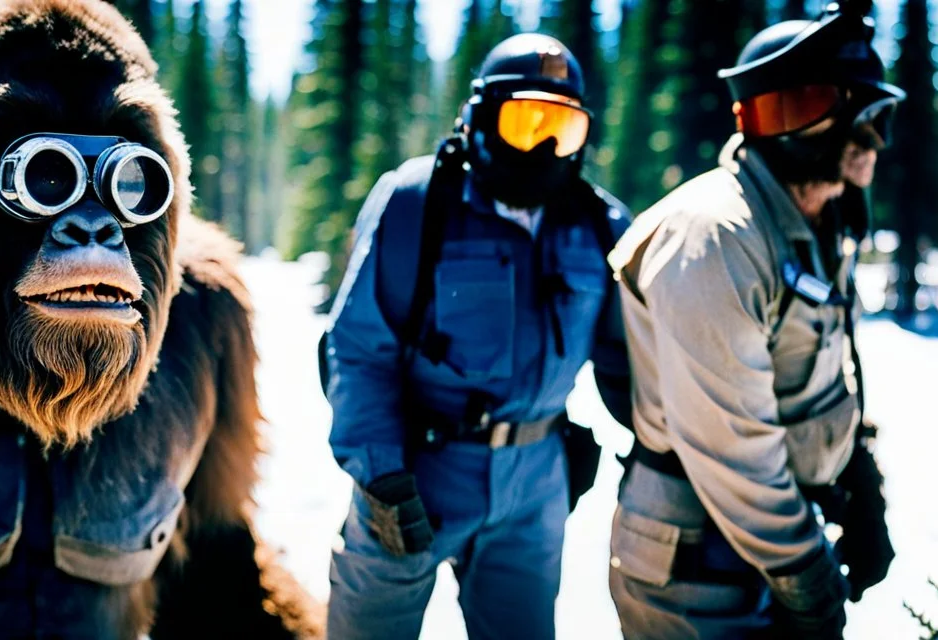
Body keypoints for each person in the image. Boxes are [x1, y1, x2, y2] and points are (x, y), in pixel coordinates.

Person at [320, 33, 633, 640]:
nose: (544, 146)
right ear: (482, 118)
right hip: (415, 471)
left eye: (562, 129)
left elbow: (630, 365)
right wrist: (381, 474)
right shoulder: (417, 203)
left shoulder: (598, 225)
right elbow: (359, 350)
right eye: (526, 122)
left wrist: (664, 456)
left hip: (535, 485)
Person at [603, 1, 901, 637]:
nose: (875, 140)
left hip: (768, 532)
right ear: (800, 120)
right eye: (862, 116)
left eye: (881, 117)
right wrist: (807, 577)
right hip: (696, 564)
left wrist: (856, 468)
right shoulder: (714, 236)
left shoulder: (818, 221)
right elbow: (730, 447)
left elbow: (816, 365)